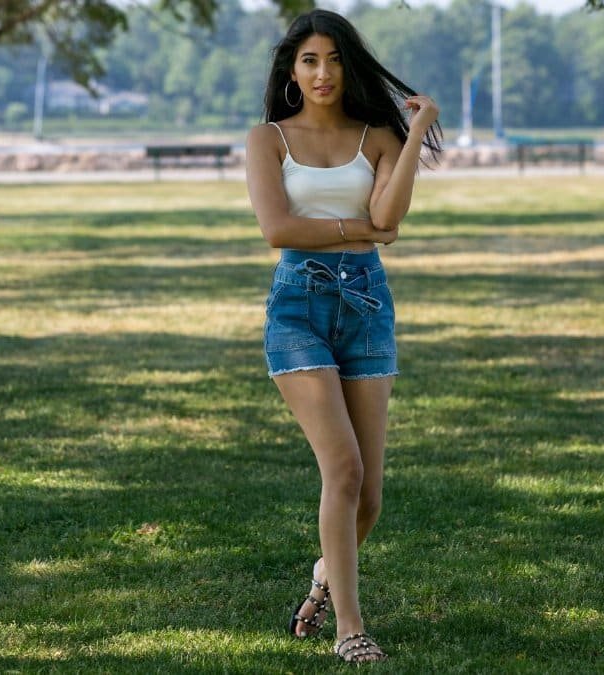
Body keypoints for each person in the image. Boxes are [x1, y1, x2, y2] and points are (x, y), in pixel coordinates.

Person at [244, 8, 441, 665]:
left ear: (347, 65)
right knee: (345, 468)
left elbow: (390, 218)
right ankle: (350, 628)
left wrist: (415, 131)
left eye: (332, 59)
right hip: (298, 306)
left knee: (370, 496)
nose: (322, 72)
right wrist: (354, 232)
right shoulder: (268, 138)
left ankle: (325, 578)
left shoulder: (377, 135)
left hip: (367, 309)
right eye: (309, 61)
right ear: (292, 72)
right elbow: (278, 230)